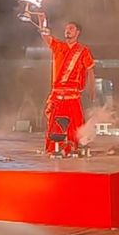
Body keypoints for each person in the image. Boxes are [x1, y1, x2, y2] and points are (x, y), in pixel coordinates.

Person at [40, 21, 95, 154]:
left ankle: (73, 148)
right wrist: (43, 20)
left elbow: (90, 71)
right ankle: (54, 149)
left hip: (73, 96)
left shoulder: (83, 50)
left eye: (71, 28)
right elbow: (45, 35)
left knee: (75, 125)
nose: (67, 31)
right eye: (66, 29)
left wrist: (92, 89)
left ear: (77, 32)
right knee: (55, 125)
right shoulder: (58, 46)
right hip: (57, 95)